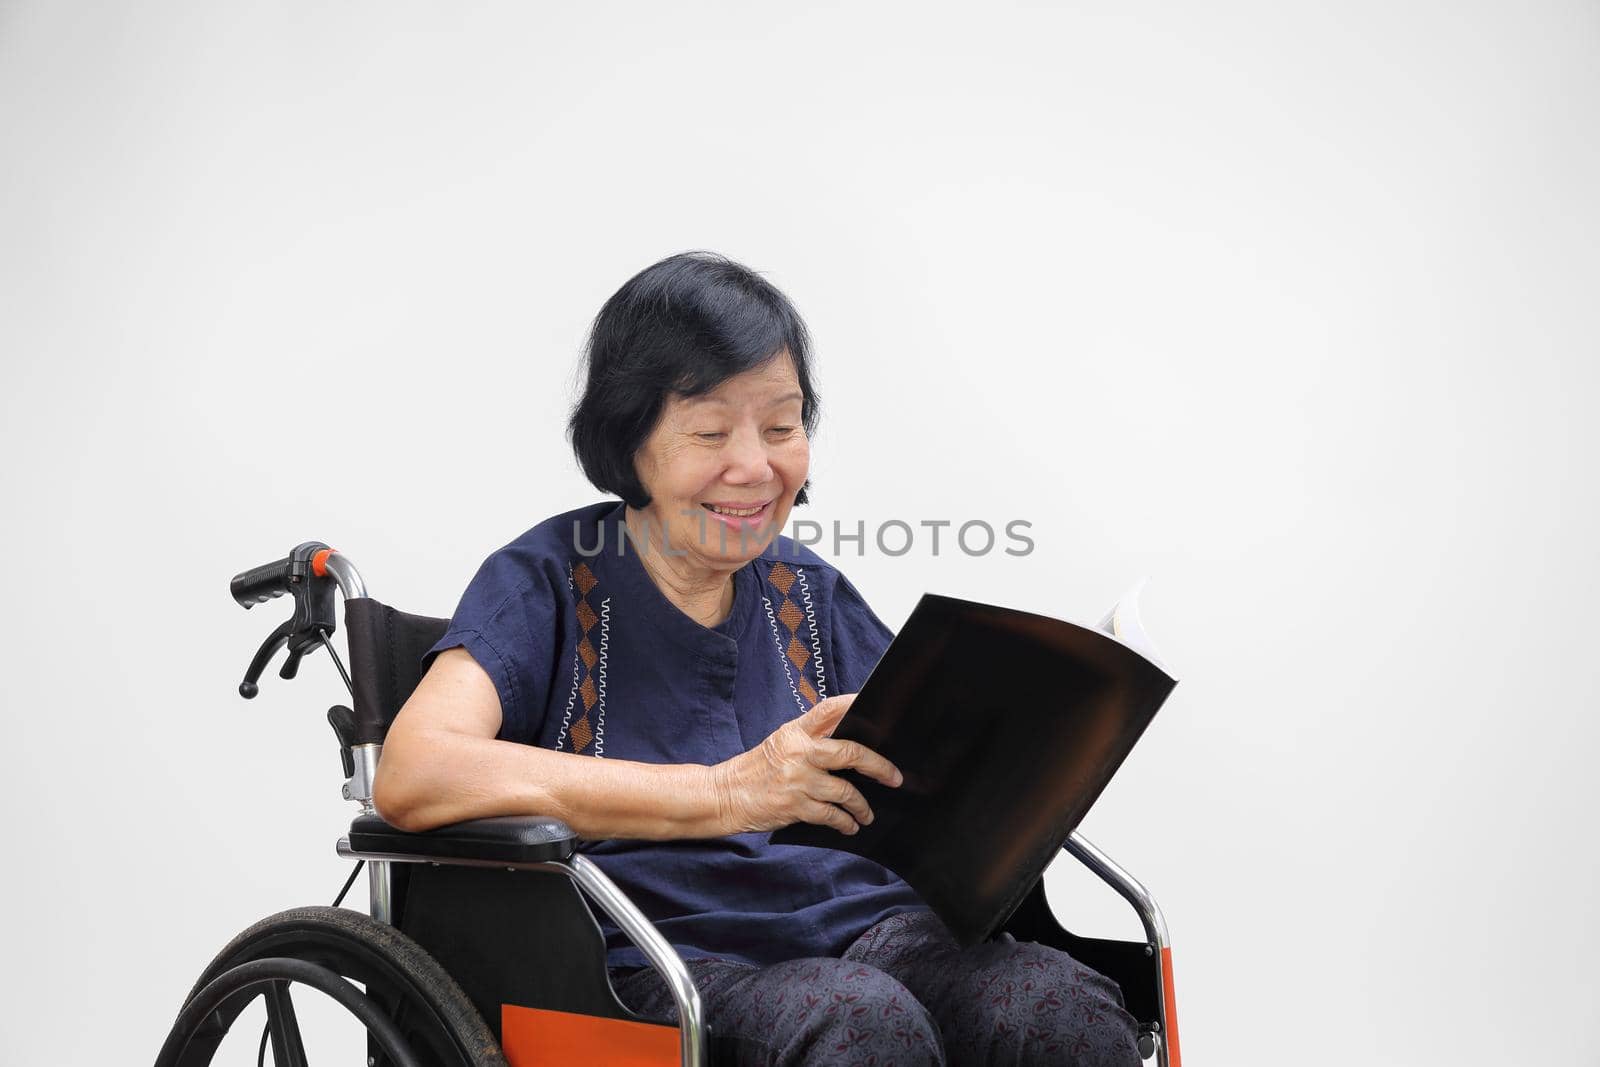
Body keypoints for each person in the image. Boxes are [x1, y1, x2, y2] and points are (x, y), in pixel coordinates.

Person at [373, 251, 1141, 1065]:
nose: (756, 466)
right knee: (859, 1022)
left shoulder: (810, 591)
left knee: (1056, 1007)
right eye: (710, 431)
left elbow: (919, 781)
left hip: (873, 933)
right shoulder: (545, 584)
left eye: (782, 426)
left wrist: (1029, 769)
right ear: (630, 439)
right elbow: (415, 772)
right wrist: (725, 792)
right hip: (655, 959)